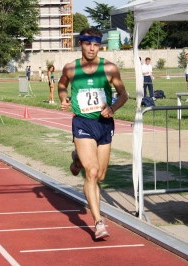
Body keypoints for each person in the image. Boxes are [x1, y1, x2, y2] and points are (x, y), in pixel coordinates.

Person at [58, 28, 129, 240]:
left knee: (100, 175)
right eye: (88, 44)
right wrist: (63, 97)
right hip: (82, 123)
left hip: (104, 124)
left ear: (100, 45)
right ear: (81, 43)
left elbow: (123, 94)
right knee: (92, 172)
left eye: (96, 45)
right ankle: (99, 222)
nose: (92, 48)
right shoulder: (70, 68)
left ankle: (77, 159)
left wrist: (113, 109)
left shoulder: (109, 68)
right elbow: (62, 84)